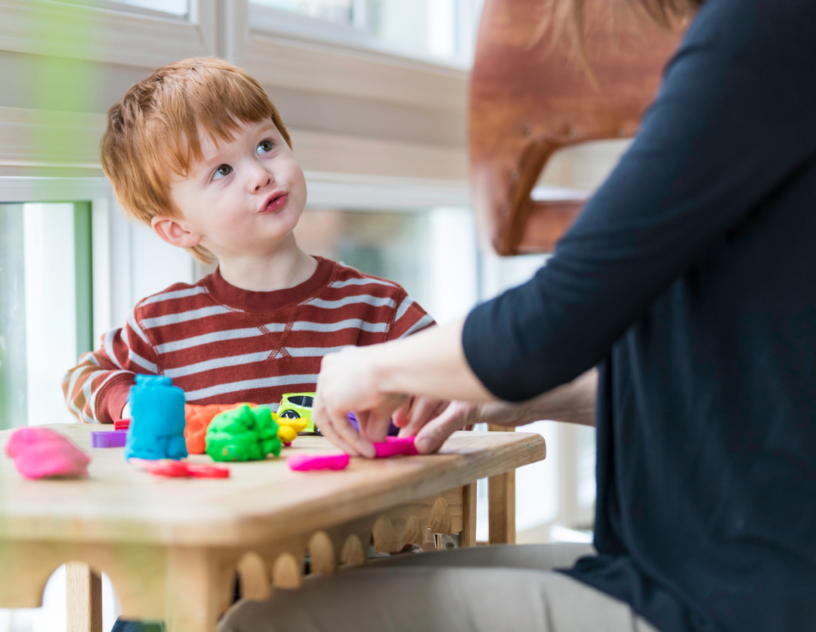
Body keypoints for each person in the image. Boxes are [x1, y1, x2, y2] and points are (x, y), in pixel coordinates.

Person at [219, 0, 816, 630]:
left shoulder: (763, 29)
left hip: (742, 596)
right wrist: (506, 398)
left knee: (262, 621)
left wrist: (372, 366)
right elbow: (740, 383)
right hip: (712, 566)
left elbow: (552, 322)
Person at [61, 58, 448, 426]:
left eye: (265, 145)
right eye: (222, 171)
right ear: (178, 229)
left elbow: (457, 378)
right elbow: (80, 379)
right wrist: (131, 403)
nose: (260, 175)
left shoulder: (377, 308)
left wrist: (409, 395)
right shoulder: (162, 325)